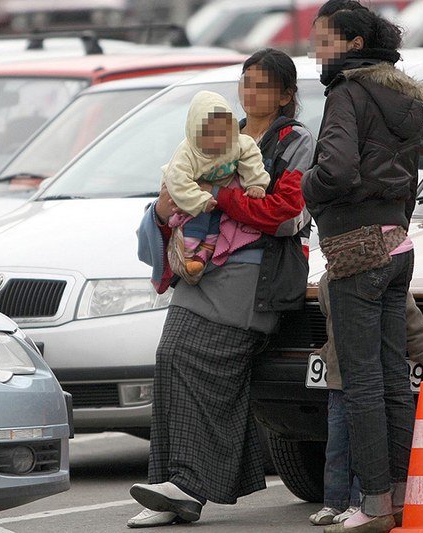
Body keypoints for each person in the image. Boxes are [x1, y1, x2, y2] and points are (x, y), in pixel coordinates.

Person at [130, 48, 315, 528]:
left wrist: (220, 198)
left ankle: (186, 486)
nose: (250, 92)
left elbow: (289, 215)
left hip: (253, 279)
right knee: (170, 356)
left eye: (263, 84)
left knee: (210, 368)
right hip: (201, 268)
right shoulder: (215, 129)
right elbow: (176, 186)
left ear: (287, 95)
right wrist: (164, 211)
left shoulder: (294, 141)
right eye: (245, 81)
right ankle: (172, 485)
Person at [302, 0, 423, 531]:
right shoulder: (402, 98)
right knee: (390, 379)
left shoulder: (347, 93)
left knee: (360, 383)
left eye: (324, 38)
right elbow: (408, 181)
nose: (315, 48)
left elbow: (334, 171)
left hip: (356, 248)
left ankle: (374, 504)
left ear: (355, 44)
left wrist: (302, 189)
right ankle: (399, 498)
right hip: (397, 245)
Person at [309, 274, 423, 526]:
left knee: (366, 444)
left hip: (366, 379)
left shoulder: (378, 276)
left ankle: (358, 502)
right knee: (337, 447)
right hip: (340, 377)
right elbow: (331, 320)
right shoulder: (327, 280)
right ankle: (333, 501)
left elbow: (409, 317)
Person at [161, 91, 270, 282]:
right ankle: (189, 252)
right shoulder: (186, 153)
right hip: (189, 191)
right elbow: (177, 180)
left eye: (223, 133)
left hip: (216, 193)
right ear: (195, 131)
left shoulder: (238, 143)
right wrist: (199, 199)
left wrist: (256, 183)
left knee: (217, 222)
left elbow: (252, 156)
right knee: (196, 217)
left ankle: (204, 253)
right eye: (209, 134)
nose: (217, 139)